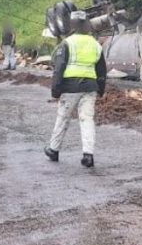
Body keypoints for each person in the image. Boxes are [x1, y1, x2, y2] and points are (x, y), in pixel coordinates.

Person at [45, 11, 106, 168]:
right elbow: (102, 70)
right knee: (87, 120)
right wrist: (101, 89)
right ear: (86, 24)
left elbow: (59, 69)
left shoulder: (67, 43)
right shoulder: (96, 44)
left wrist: (55, 90)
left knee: (63, 118)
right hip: (90, 87)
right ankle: (88, 155)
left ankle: (53, 150)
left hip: (70, 88)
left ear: (72, 25)